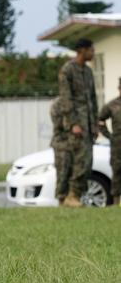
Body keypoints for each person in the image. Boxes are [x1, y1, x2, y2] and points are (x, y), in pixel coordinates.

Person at [53, 38, 98, 208]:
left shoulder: (88, 72)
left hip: (88, 124)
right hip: (76, 125)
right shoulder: (67, 70)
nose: (93, 53)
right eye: (91, 50)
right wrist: (73, 123)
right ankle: (70, 195)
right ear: (82, 50)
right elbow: (66, 98)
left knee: (87, 161)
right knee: (78, 161)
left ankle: (74, 195)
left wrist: (94, 125)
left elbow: (93, 100)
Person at [97, 77, 121, 206]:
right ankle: (116, 202)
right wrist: (109, 136)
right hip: (118, 144)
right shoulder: (112, 105)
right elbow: (100, 120)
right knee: (117, 172)